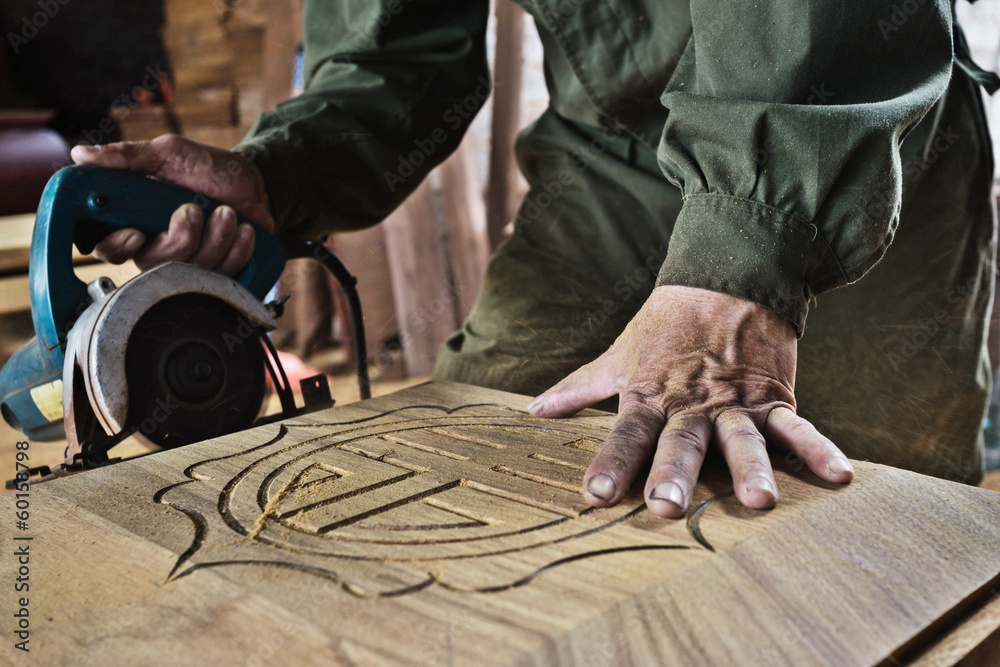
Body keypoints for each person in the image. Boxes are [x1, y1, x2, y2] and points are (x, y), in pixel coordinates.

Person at [71, 0, 998, 518]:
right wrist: (276, 174)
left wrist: (744, 250)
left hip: (841, 126)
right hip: (615, 148)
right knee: (478, 448)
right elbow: (396, 50)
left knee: (863, 515)